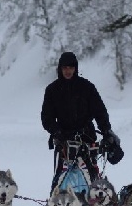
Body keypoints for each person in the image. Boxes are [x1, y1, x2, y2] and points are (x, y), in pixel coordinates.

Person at [41, 51, 123, 193]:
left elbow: (100, 112)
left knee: (92, 177)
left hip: (87, 138)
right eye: (65, 68)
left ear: (75, 68)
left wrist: (106, 131)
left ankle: (94, 205)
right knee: (60, 179)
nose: (68, 71)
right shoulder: (52, 90)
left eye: (71, 68)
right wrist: (57, 132)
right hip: (64, 141)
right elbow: (46, 118)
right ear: (60, 68)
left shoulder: (87, 87)